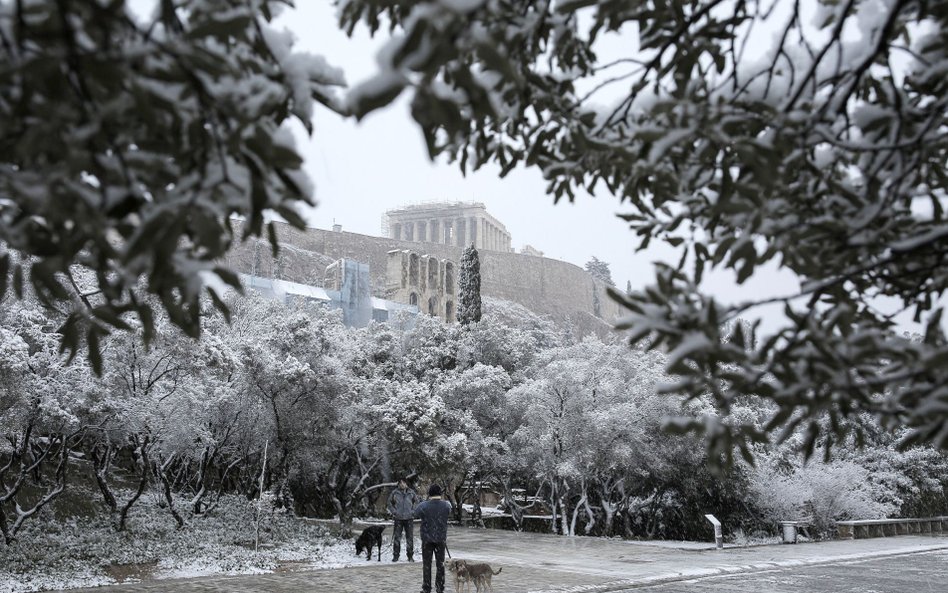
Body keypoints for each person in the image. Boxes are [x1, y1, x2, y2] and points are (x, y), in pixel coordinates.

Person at [413, 484, 452, 593]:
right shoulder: (446, 505)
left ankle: (426, 588)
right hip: (440, 539)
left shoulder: (423, 506)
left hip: (427, 539)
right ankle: (440, 588)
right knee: (440, 565)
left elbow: (415, 514)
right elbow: (449, 512)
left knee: (427, 564)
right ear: (440, 493)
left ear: (429, 493)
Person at [387, 477, 419, 562]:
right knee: (397, 538)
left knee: (410, 538)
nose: (402, 484)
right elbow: (389, 503)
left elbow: (417, 502)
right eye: (400, 483)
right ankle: (396, 556)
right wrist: (394, 512)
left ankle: (410, 556)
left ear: (406, 484)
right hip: (398, 519)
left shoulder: (411, 492)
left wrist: (413, 512)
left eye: (403, 483)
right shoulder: (395, 493)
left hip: (409, 518)